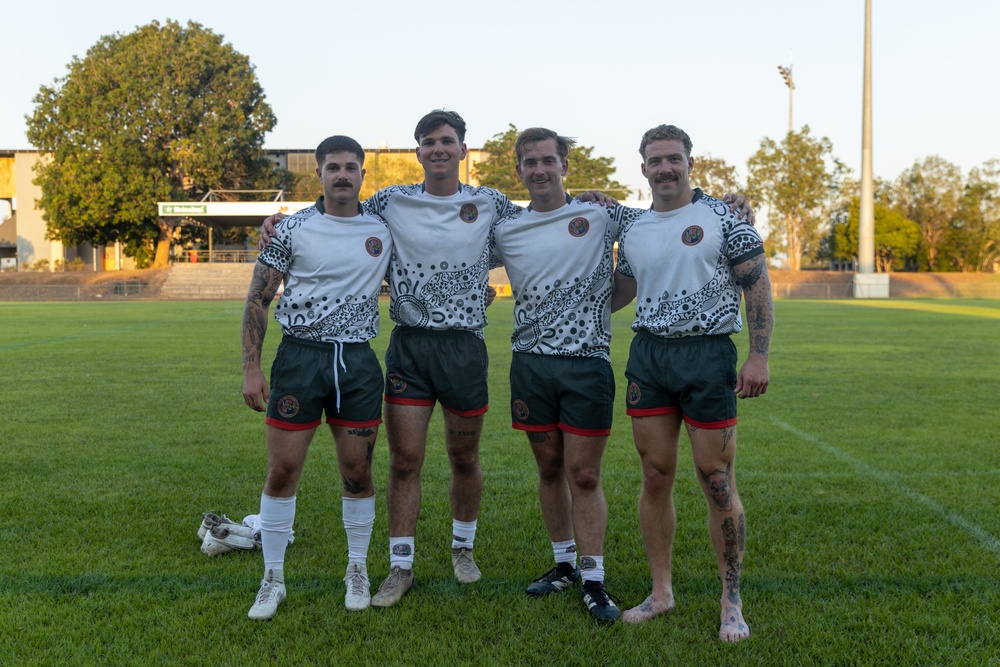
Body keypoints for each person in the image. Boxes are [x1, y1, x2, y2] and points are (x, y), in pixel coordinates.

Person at [261, 110, 523, 608]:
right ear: (418, 151)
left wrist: (588, 200)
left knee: (464, 457)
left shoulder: (490, 203)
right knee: (405, 460)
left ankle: (462, 549)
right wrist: (276, 222)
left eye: (447, 141)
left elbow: (541, 222)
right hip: (410, 345)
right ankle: (400, 566)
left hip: (465, 347)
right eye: (428, 142)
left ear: (463, 150)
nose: (438, 149)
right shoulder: (389, 201)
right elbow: (335, 211)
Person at [610, 124, 773, 642]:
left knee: (716, 478)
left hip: (706, 355)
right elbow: (624, 291)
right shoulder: (632, 230)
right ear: (643, 169)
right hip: (650, 357)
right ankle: (661, 593)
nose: (664, 168)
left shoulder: (724, 217)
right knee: (655, 475)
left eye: (673, 158)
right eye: (654, 160)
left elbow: (758, 286)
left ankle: (731, 600)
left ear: (689, 162)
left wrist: (759, 357)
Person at [488, 128, 644, 622]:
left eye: (548, 161)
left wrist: (724, 202)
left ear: (565, 166)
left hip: (587, 364)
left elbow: (664, 217)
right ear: (519, 170)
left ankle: (594, 578)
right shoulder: (505, 227)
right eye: (529, 162)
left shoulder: (599, 213)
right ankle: (563, 564)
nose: (539, 170)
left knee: (585, 472)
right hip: (530, 365)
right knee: (550, 468)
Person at [241, 135, 393, 619]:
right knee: (283, 470)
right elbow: (257, 298)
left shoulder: (383, 227)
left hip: (357, 363)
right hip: (299, 360)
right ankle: (272, 578)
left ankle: (356, 568)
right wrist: (250, 367)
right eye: (334, 167)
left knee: (358, 471)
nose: (343, 174)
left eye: (351, 167)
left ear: (363, 175)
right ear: (320, 174)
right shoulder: (293, 229)